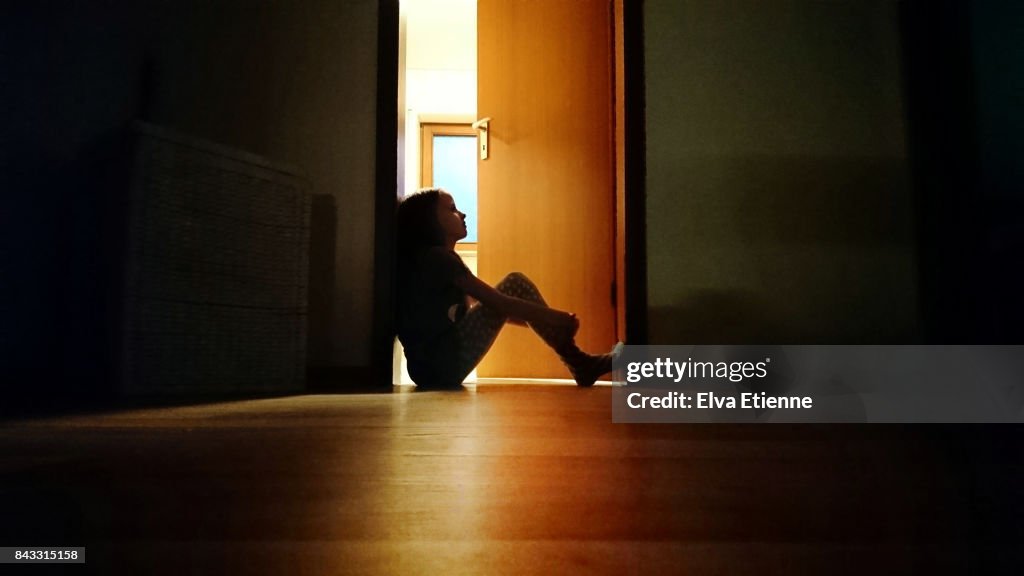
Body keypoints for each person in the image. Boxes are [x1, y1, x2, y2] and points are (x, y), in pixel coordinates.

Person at [395, 188, 621, 390]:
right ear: (430, 222)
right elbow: (500, 303)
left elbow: (495, 309)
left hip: (430, 370)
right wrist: (558, 318)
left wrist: (545, 321)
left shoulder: (432, 260)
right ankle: (581, 362)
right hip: (442, 364)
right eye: (452, 209)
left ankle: (581, 363)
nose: (462, 214)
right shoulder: (439, 259)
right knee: (515, 283)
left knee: (514, 288)